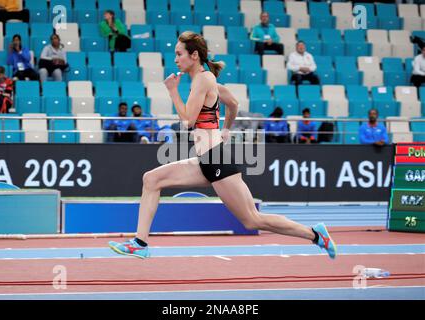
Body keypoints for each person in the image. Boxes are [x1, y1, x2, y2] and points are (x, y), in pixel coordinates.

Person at [108, 32, 336, 260]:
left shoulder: (204, 79)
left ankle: (315, 235)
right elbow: (233, 104)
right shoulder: (209, 81)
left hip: (216, 160)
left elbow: (187, 120)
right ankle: (140, 242)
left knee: (252, 219)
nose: (176, 59)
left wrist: (172, 91)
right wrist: (225, 128)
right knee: (151, 179)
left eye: (179, 54)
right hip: (205, 160)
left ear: (194, 55)